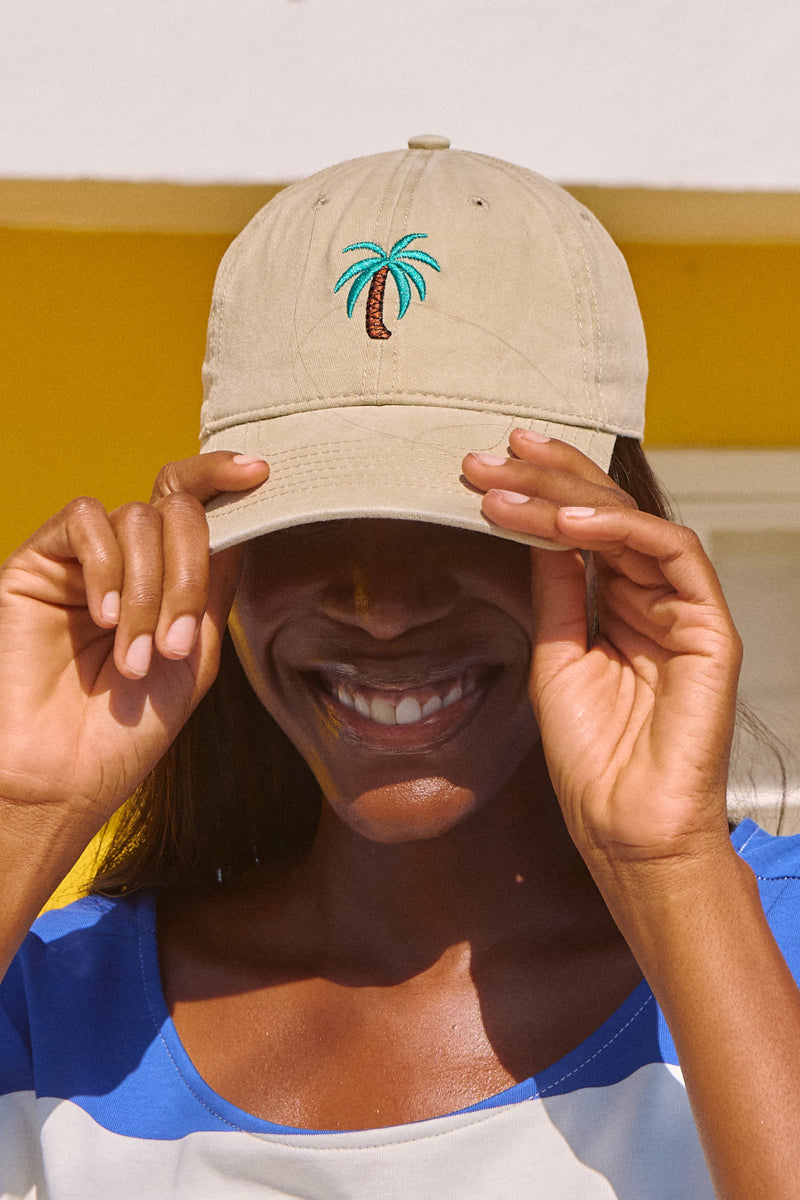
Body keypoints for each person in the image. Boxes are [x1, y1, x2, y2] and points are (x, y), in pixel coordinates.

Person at [1, 135, 799, 1200]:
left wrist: (669, 867)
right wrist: (21, 806)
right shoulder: (49, 1009)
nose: (381, 607)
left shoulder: (770, 943)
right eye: (310, 521)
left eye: (466, 522)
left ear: (611, 546)